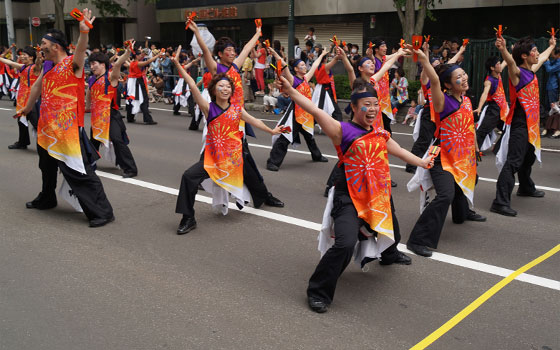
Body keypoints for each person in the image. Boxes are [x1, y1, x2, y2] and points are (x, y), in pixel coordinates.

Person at [278, 76, 433, 313]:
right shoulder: (343, 131)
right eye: (366, 105)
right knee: (345, 243)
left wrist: (423, 163)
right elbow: (315, 110)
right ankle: (318, 291)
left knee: (391, 224)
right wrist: (291, 91)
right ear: (353, 107)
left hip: (377, 194)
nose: (372, 109)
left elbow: (400, 151)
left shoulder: (380, 134)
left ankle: (389, 254)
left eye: (375, 104)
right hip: (349, 196)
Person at [172, 50, 284, 234]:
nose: (225, 89)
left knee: (253, 176)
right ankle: (188, 217)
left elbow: (254, 121)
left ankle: (264, 197)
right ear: (214, 90)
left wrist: (272, 130)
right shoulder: (209, 108)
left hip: (234, 157)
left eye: (228, 87)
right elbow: (192, 84)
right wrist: (178, 65)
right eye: (221, 86)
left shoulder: (237, 109)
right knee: (188, 176)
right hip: (214, 159)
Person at [20, 10, 114, 227]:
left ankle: (103, 212)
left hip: (68, 131)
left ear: (56, 46)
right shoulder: (48, 65)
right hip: (47, 128)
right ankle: (47, 198)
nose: (40, 46)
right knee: (46, 167)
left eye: (43, 42)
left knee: (79, 172)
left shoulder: (74, 64)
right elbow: (36, 86)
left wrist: (83, 32)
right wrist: (26, 108)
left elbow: (81, 48)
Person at [186, 22, 285, 209]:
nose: (233, 53)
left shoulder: (234, 68)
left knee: (235, 156)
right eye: (229, 50)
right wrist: (198, 33)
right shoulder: (217, 69)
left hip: (237, 117)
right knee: (234, 156)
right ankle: (261, 194)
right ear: (221, 54)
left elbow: (248, 48)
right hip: (220, 119)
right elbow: (207, 52)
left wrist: (257, 33)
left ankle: (259, 193)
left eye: (233, 50)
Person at [406, 46, 486, 258]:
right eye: (458, 77)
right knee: (445, 195)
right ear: (448, 85)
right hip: (442, 157)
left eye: (464, 74)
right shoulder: (443, 101)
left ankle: (461, 214)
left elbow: (469, 128)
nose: (465, 78)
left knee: (470, 180)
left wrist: (475, 148)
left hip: (463, 156)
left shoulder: (467, 101)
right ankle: (417, 240)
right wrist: (423, 58)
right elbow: (433, 81)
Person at [491, 35, 557, 217]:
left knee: (529, 158)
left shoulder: (531, 70)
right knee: (513, 162)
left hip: (531, 125)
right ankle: (500, 202)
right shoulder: (517, 74)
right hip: (520, 124)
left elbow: (543, 59)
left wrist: (551, 47)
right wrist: (504, 49)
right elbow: (510, 63)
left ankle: (526, 187)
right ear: (524, 56)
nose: (537, 53)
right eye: (534, 51)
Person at [405, 42, 466, 174]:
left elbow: (448, 65)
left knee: (438, 140)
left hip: (442, 116)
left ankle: (436, 164)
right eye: (434, 64)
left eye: (438, 64)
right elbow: (426, 69)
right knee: (424, 140)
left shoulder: (444, 83)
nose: (436, 64)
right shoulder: (428, 81)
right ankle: (411, 165)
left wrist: (460, 51)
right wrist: (424, 55)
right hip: (430, 114)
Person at [266, 48, 329, 171]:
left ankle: (317, 155)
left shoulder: (305, 78)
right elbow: (284, 66)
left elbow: (315, 64)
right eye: (301, 65)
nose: (305, 67)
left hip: (306, 114)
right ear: (295, 69)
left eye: (304, 65)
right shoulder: (293, 80)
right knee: (285, 137)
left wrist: (322, 55)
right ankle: (272, 162)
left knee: (310, 136)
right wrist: (275, 53)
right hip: (295, 114)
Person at [86, 43, 138, 178]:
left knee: (117, 140)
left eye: (94, 64)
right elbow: (89, 94)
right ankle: (88, 164)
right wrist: (86, 107)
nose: (92, 67)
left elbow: (118, 64)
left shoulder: (110, 77)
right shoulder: (92, 79)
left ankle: (130, 169)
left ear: (103, 64)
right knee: (93, 141)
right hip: (97, 116)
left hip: (110, 114)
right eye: (90, 64)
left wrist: (127, 53)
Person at [1, 46, 42, 149]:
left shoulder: (35, 68)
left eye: (25, 55)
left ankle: (44, 145)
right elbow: (9, 63)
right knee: (21, 122)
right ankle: (22, 142)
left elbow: (38, 64)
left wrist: (38, 57)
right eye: (21, 54)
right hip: (21, 99)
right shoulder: (23, 67)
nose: (22, 56)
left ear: (31, 57)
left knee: (36, 123)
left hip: (32, 100)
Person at [473, 56, 509, 151]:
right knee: (482, 131)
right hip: (494, 110)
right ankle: (473, 152)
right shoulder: (489, 81)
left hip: (503, 109)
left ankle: (497, 149)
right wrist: (479, 108)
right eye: (497, 64)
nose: (500, 65)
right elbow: (484, 94)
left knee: (509, 130)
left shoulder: (498, 74)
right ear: (492, 68)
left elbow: (506, 61)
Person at [124, 47, 162, 124]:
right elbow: (148, 61)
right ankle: (147, 119)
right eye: (139, 54)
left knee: (132, 99)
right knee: (143, 99)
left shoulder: (132, 63)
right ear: (136, 56)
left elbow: (127, 62)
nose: (141, 55)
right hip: (138, 82)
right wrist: (158, 55)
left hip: (132, 82)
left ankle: (130, 117)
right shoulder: (138, 63)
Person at [312, 45, 343, 121]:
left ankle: (310, 123)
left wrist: (332, 49)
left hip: (319, 88)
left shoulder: (316, 67)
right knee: (335, 111)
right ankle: (340, 127)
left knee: (320, 108)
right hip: (325, 89)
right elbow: (335, 59)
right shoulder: (325, 67)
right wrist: (338, 49)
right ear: (325, 59)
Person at [172, 57, 201, 130]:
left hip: (182, 82)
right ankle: (191, 111)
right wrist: (196, 60)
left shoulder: (181, 66)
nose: (187, 62)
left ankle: (176, 109)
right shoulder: (183, 67)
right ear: (184, 61)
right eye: (186, 61)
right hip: (183, 82)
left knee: (180, 97)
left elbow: (190, 64)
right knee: (188, 97)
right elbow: (190, 64)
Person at [543, 47, 560, 116]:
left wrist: (547, 61)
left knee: (553, 106)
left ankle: (554, 124)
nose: (551, 55)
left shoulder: (559, 62)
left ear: (558, 54)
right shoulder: (556, 61)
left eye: (553, 54)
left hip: (553, 86)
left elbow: (549, 69)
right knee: (550, 106)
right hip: (551, 86)